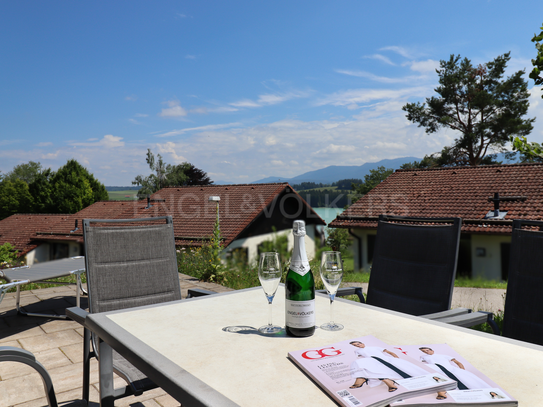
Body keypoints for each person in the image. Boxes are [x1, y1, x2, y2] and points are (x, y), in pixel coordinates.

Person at [348, 341, 429, 393]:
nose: (357, 346)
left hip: (384, 359)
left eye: (358, 344)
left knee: (405, 368)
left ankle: (363, 379)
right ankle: (361, 378)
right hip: (372, 360)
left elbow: (390, 352)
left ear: (362, 343)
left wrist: (397, 359)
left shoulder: (374, 347)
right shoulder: (357, 351)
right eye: (355, 345)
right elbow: (360, 358)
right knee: (357, 363)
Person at [418, 347, 491, 390]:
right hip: (438, 370)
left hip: (451, 369)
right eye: (424, 351)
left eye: (427, 350)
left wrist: (462, 370)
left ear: (432, 350)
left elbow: (458, 363)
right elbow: (420, 363)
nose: (426, 352)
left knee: (467, 379)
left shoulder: (444, 356)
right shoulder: (424, 357)